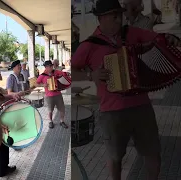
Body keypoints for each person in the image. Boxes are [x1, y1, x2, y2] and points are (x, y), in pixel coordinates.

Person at [71, 0, 180, 179]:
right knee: (115, 158)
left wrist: (170, 38)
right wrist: (91, 76)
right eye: (114, 15)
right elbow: (72, 72)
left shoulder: (131, 33)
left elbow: (156, 39)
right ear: (101, 18)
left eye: (120, 14)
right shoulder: (89, 45)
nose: (119, 19)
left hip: (141, 106)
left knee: (153, 152)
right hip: (111, 112)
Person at [37, 60, 68, 129]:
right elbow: (36, 83)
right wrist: (43, 85)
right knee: (50, 110)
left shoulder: (56, 72)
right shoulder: (42, 75)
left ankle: (62, 121)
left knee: (62, 109)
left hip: (58, 94)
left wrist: (65, 76)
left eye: (52, 66)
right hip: (49, 96)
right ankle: (50, 121)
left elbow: (63, 74)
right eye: (50, 66)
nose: (51, 67)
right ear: (46, 67)